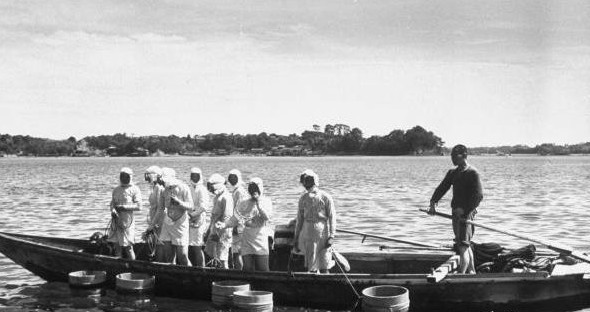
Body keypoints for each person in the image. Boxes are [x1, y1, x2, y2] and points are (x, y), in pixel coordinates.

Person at [429, 144, 483, 274]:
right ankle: (471, 271)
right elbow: (442, 188)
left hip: (466, 215)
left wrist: (465, 210)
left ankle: (461, 275)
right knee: (463, 243)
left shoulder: (472, 173)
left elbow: (478, 196)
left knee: (463, 246)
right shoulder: (453, 173)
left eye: (455, 156)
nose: (452, 158)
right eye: (451, 156)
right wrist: (433, 202)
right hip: (455, 214)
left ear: (464, 156)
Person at [216, 177, 272, 271]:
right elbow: (235, 219)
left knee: (263, 268)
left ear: (260, 188)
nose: (254, 191)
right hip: (247, 238)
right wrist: (224, 225)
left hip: (260, 236)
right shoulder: (244, 202)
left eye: (256, 188)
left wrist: (258, 203)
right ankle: (248, 284)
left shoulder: (266, 201)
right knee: (247, 268)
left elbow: (266, 218)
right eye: (251, 188)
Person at [293, 170, 336, 273]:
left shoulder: (325, 197)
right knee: (311, 264)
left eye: (309, 181)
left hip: (323, 233)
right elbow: (299, 220)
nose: (307, 184)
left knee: (324, 262)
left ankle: (326, 282)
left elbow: (332, 217)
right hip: (308, 233)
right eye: (305, 181)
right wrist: (296, 238)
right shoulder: (303, 198)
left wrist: (332, 236)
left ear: (315, 181)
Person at [159, 168, 194, 266]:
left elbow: (191, 206)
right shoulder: (164, 190)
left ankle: (191, 276)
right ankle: (173, 277)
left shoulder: (184, 188)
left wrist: (179, 203)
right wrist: (151, 226)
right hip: (168, 222)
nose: (161, 181)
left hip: (180, 223)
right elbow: (160, 209)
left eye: (163, 179)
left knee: (182, 255)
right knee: (169, 255)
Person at [108, 167, 142, 260]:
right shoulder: (116, 189)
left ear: (130, 177)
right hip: (116, 220)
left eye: (126, 176)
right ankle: (118, 266)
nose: (124, 178)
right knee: (116, 246)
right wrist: (113, 210)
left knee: (128, 247)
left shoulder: (135, 189)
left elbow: (139, 206)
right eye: (122, 176)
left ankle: (133, 267)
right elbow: (112, 204)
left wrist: (124, 207)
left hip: (127, 222)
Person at [204, 173, 234, 269]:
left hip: (223, 232)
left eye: (213, 188)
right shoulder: (217, 197)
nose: (212, 191)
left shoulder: (226, 197)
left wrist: (218, 233)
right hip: (215, 230)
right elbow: (213, 217)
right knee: (214, 256)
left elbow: (227, 217)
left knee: (222, 258)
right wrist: (209, 231)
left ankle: (226, 277)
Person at [188, 167, 211, 267]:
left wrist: (193, 215)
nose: (194, 178)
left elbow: (203, 207)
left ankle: (202, 269)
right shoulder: (190, 188)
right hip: (189, 220)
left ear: (200, 176)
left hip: (199, 221)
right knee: (192, 246)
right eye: (193, 175)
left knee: (197, 247)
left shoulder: (202, 189)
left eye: (196, 176)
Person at [227, 169, 249, 270]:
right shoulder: (237, 190)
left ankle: (239, 272)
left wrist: (236, 226)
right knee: (236, 251)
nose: (232, 179)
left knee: (237, 252)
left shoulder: (239, 191)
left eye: (234, 177)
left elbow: (240, 210)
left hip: (239, 225)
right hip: (238, 224)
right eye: (230, 177)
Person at [144, 165, 165, 262]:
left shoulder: (159, 188)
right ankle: (156, 260)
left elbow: (160, 208)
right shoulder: (153, 187)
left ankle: (159, 263)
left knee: (159, 242)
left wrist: (153, 224)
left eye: (148, 175)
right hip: (154, 218)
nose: (146, 178)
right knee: (155, 242)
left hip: (159, 220)